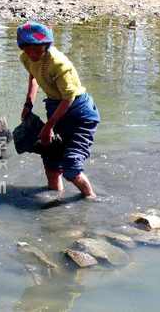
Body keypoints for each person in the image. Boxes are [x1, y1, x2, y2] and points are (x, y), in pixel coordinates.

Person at [17, 22, 100, 197]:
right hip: (56, 109)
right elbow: (33, 76)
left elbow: (68, 96)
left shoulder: (57, 62)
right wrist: (28, 104)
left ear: (46, 46)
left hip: (80, 114)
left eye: (37, 49)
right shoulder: (26, 58)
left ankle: (91, 199)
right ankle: (55, 203)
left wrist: (49, 126)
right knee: (51, 162)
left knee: (71, 165)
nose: (32, 54)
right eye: (27, 49)